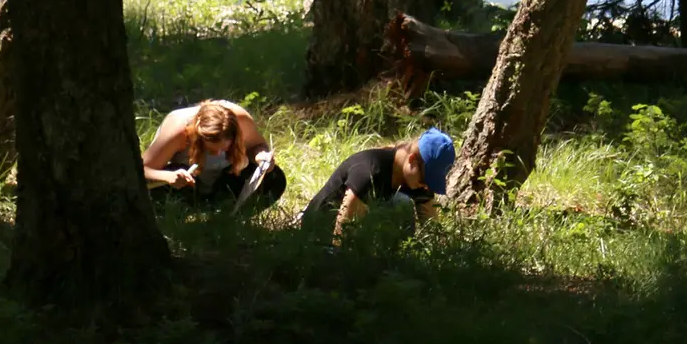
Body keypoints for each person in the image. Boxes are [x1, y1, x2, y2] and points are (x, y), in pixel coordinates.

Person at [301, 127, 455, 241]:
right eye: (426, 179)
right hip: (320, 231)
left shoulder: (415, 179)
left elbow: (433, 233)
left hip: (362, 236)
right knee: (401, 203)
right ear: (412, 159)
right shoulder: (370, 172)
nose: (426, 186)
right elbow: (342, 235)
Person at [142, 99, 286, 208]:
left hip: (225, 179)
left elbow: (258, 145)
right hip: (187, 184)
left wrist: (261, 156)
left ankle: (229, 215)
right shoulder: (178, 131)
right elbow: (140, 169)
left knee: (274, 178)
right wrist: (168, 177)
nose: (217, 154)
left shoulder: (241, 120)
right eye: (211, 150)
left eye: (224, 149)